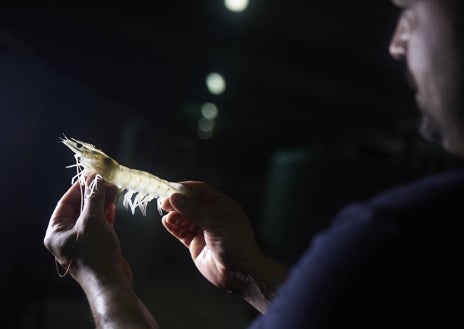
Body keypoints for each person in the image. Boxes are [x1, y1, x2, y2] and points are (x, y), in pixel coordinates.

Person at [44, 0, 463, 328]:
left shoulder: (393, 238)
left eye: (409, 9)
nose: (395, 43)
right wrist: (248, 273)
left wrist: (102, 280)